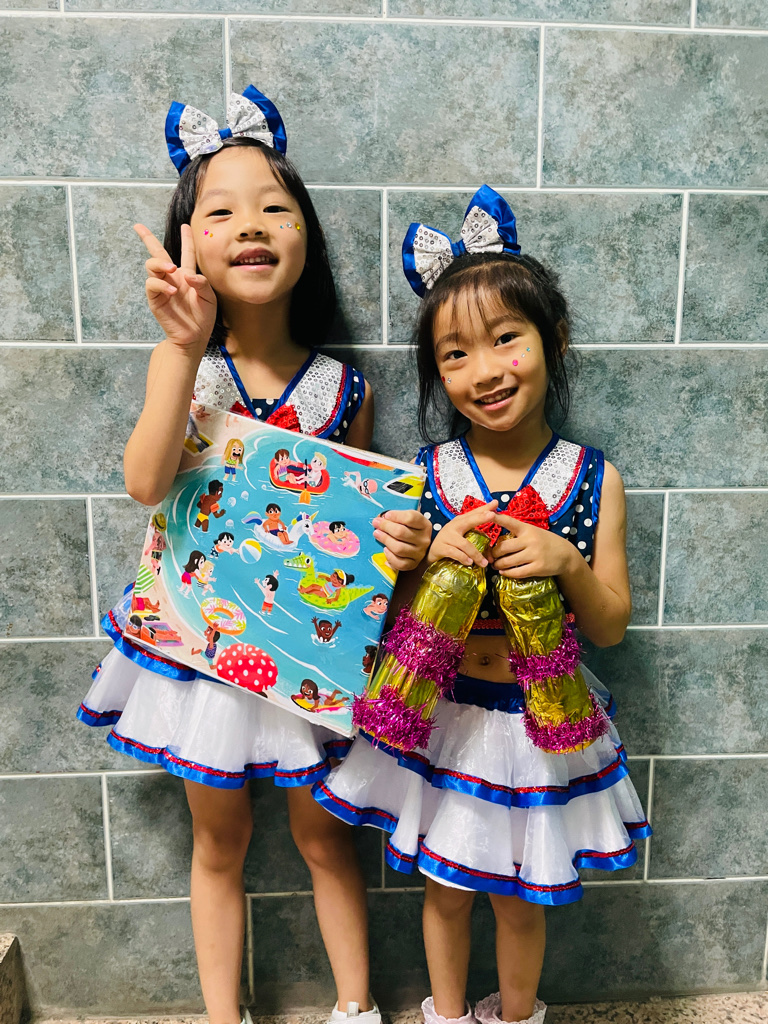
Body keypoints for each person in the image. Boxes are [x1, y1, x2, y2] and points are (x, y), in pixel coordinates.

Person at [76, 86, 431, 1024]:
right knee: (219, 843)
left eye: (275, 207)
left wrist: (401, 544)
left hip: (309, 649)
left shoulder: (344, 389)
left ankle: (354, 1007)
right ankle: (222, 1017)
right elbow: (145, 482)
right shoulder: (183, 366)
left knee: (326, 837)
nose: (251, 226)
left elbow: (359, 534)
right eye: (221, 212)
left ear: (306, 236)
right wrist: (180, 349)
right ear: (187, 241)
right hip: (200, 651)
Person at [314, 187, 652, 1024]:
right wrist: (423, 555)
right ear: (436, 373)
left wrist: (566, 561)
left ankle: (517, 1015)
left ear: (554, 339)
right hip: (447, 715)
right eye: (455, 354)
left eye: (506, 338)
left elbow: (610, 624)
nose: (486, 370)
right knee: (446, 890)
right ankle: (446, 1013)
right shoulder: (423, 476)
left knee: (518, 898)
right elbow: (379, 615)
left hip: (540, 724)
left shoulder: (594, 478)